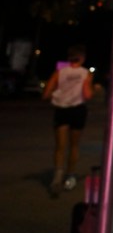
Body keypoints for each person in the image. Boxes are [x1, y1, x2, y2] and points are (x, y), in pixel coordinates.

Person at [41, 44, 93, 197]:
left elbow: (46, 94)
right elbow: (87, 95)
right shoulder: (85, 73)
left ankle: (57, 176)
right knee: (74, 145)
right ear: (82, 58)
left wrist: (59, 94)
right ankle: (70, 177)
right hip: (77, 110)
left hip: (61, 110)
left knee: (60, 146)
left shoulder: (59, 73)